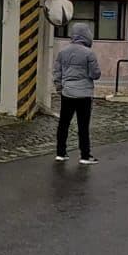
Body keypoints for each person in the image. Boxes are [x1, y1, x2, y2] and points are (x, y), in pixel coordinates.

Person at [53, 22, 101, 165]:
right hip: (84, 94)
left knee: (63, 123)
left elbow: (57, 72)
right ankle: (85, 156)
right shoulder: (89, 53)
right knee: (83, 126)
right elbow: (95, 74)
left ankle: (60, 153)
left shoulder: (63, 52)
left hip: (67, 92)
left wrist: (59, 87)